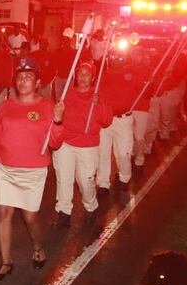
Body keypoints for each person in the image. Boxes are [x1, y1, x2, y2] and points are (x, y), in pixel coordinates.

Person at [0, 57, 65, 280]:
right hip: (6, 169)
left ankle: (38, 247)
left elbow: (55, 143)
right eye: (20, 77)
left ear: (38, 82)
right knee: (3, 214)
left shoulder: (47, 106)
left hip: (33, 171)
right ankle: (6, 262)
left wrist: (58, 121)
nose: (23, 80)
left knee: (30, 217)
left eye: (28, 77)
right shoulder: (6, 106)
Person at [52, 61, 113, 227]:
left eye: (86, 74)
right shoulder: (67, 93)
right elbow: (58, 116)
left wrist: (98, 104)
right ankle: (63, 211)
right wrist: (57, 113)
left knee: (86, 180)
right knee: (64, 179)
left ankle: (91, 206)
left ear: (93, 77)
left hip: (87, 145)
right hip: (65, 143)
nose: (82, 77)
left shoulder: (99, 95)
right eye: (79, 74)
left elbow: (107, 121)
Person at [96, 57, 142, 200]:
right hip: (105, 119)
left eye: (120, 57)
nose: (117, 59)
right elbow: (97, 94)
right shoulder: (104, 74)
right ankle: (103, 183)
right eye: (114, 57)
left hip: (123, 120)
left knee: (123, 153)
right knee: (102, 152)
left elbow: (145, 89)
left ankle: (124, 178)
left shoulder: (131, 73)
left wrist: (150, 82)